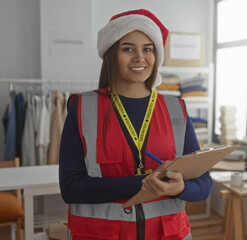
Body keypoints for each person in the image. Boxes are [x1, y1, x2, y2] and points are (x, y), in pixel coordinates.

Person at [59, 9, 212, 240]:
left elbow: (204, 183)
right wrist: (143, 183)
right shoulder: (82, 107)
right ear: (111, 55)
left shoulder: (175, 108)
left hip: (168, 234)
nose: (139, 58)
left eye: (147, 49)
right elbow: (71, 188)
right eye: (128, 48)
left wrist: (180, 189)